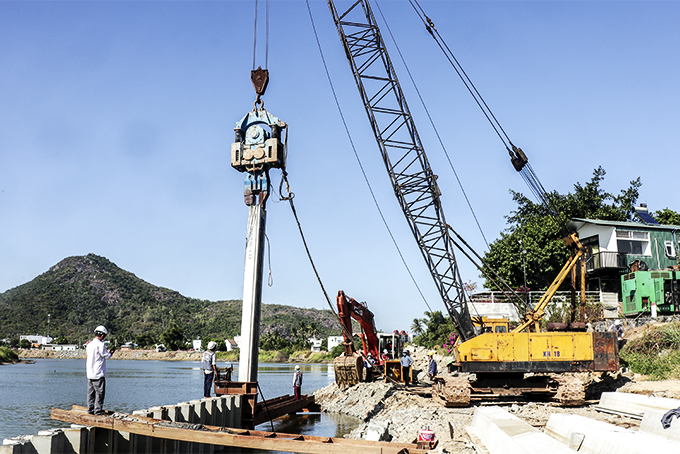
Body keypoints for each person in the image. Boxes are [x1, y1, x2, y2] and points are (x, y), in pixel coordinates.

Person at [86, 325, 116, 415]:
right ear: (102, 335)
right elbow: (106, 356)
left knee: (90, 394)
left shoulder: (89, 344)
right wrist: (111, 352)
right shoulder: (100, 345)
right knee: (99, 393)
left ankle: (90, 409)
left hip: (90, 373)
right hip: (98, 373)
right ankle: (98, 410)